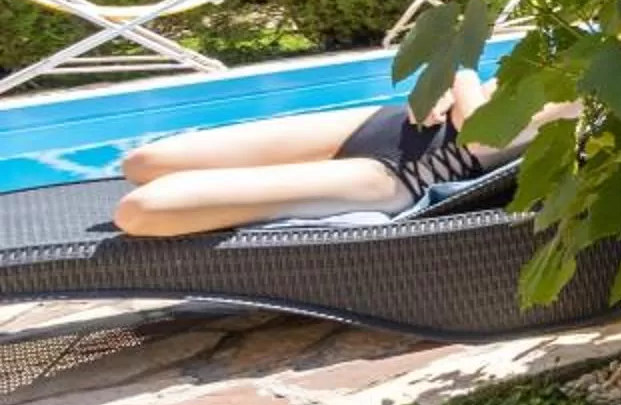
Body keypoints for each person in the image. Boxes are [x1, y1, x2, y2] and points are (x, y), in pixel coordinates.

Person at [113, 66, 565, 237]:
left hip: (406, 174)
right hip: (388, 124)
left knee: (142, 209)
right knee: (143, 162)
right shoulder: (583, 40)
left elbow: (486, 135)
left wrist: (460, 76)